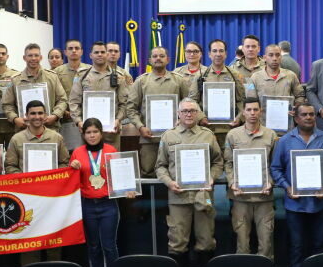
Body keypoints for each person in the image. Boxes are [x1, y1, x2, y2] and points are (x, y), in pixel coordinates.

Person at [270, 103, 323, 267]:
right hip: (295, 204)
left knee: (320, 244)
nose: (309, 117)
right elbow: (275, 168)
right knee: (297, 245)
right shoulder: (285, 141)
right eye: (304, 115)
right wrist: (287, 187)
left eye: (311, 114)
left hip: (320, 203)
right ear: (296, 118)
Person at [156, 98, 223, 267]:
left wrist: (212, 178)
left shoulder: (207, 135)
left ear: (198, 113)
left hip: (204, 196)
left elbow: (218, 162)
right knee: (177, 241)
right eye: (185, 111)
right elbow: (160, 166)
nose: (188, 114)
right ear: (178, 114)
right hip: (178, 197)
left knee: (206, 239)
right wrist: (169, 183)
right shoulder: (168, 136)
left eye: (192, 110)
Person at [69, 117, 136, 267]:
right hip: (87, 205)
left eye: (95, 132)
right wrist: (72, 167)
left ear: (101, 133)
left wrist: (127, 188)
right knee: (93, 247)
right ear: (83, 134)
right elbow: (70, 181)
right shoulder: (77, 153)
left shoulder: (111, 150)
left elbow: (121, 176)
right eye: (88, 132)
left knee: (109, 246)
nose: (92, 135)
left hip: (108, 204)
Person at [4, 100, 70, 264]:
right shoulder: (17, 139)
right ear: (26, 116)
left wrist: (53, 179)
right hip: (27, 199)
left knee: (53, 241)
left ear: (46, 115)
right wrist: (26, 181)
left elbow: (64, 163)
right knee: (29, 241)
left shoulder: (56, 137)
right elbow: (10, 166)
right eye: (33, 113)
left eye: (40, 113)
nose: (37, 117)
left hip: (51, 199)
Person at [224, 98, 278, 259]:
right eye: (249, 110)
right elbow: (228, 163)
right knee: (242, 243)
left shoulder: (270, 135)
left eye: (256, 109)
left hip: (264, 197)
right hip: (240, 197)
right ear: (243, 112)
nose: (252, 113)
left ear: (261, 111)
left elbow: (275, 165)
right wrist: (232, 182)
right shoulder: (233, 135)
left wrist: (271, 182)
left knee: (266, 242)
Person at [127, 47, 191, 178]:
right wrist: (140, 127)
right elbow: (131, 108)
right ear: (150, 60)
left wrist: (182, 121)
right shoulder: (141, 81)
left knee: (176, 171)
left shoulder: (179, 80)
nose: (158, 58)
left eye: (162, 56)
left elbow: (188, 105)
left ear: (168, 59)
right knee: (149, 171)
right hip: (148, 137)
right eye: (155, 56)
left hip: (176, 137)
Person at [69, 41, 132, 149]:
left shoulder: (119, 76)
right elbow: (74, 102)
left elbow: (125, 103)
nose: (99, 54)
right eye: (96, 52)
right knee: (87, 164)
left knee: (110, 163)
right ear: (90, 55)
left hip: (111, 131)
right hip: (88, 132)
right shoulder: (82, 75)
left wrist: (118, 120)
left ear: (107, 54)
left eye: (103, 52)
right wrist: (79, 121)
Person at [188, 39, 246, 148]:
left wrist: (239, 118)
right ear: (209, 54)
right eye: (214, 51)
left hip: (230, 130)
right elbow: (192, 101)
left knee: (229, 161)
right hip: (206, 130)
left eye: (221, 51)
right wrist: (201, 117)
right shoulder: (200, 76)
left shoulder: (235, 75)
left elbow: (242, 100)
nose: (218, 54)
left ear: (226, 54)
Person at [2, 43, 68, 131]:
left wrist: (55, 115)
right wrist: (15, 119)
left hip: (49, 129)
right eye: (30, 55)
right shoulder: (15, 80)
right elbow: (7, 104)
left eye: (36, 55)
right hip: (24, 130)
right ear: (24, 58)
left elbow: (62, 99)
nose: (33, 58)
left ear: (41, 57)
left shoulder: (52, 77)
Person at [0, 43, 19, 146]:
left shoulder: (16, 75)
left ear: (7, 56)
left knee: (13, 158)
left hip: (12, 124)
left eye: (3, 53)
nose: (0, 56)